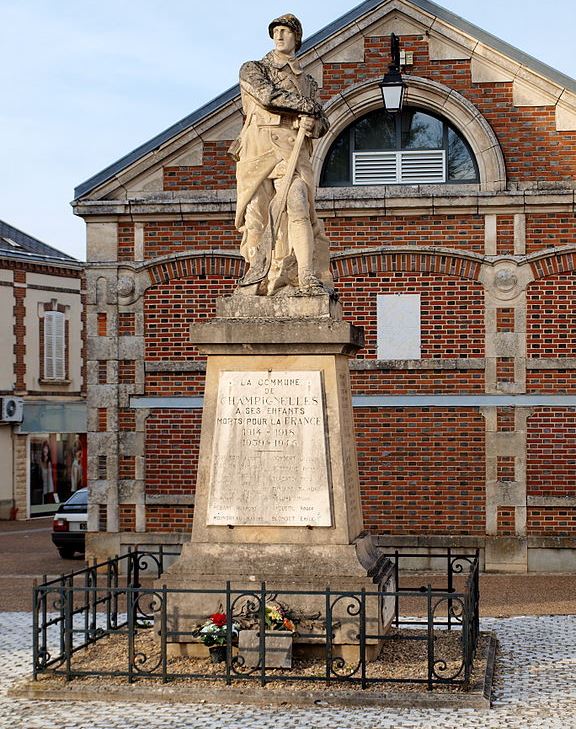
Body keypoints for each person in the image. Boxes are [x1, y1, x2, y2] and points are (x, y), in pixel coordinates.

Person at [231, 14, 334, 296]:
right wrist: (305, 109)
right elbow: (267, 97)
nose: (279, 36)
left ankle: (306, 276)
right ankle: (257, 277)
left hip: (292, 151)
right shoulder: (253, 69)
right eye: (275, 31)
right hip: (258, 151)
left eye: (285, 31)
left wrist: (314, 124)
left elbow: (323, 122)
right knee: (257, 218)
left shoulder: (308, 83)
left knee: (299, 204)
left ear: (296, 38)